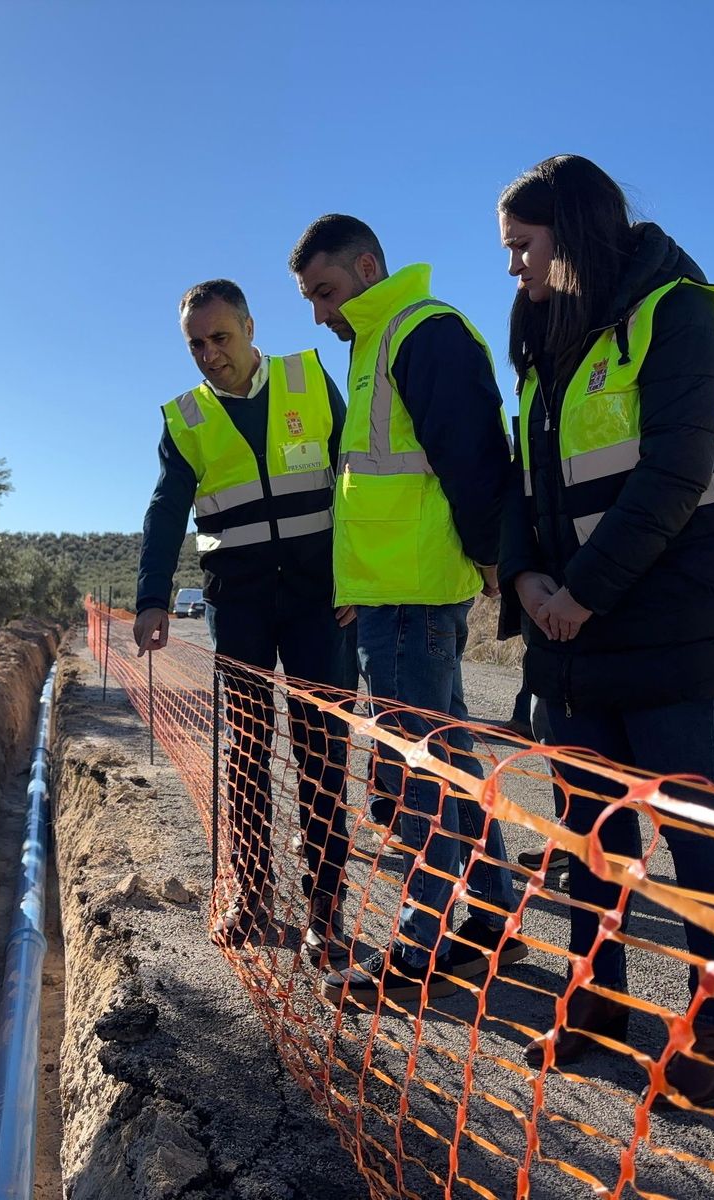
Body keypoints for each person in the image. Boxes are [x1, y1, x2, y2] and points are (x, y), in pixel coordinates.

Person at [495, 155, 714, 1106]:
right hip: (573, 629)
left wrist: (583, 594)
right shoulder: (543, 339)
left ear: (570, 232)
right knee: (587, 829)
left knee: (698, 828)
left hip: (674, 623)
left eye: (522, 247)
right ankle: (595, 997)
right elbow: (526, 480)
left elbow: (674, 474)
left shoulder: (679, 311)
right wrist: (525, 574)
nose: (514, 270)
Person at [288, 215, 523, 1006]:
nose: (320, 313)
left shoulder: (423, 332)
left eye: (325, 292)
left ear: (365, 266)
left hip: (414, 592)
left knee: (416, 765)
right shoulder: (374, 345)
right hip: (391, 591)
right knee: (447, 755)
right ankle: (490, 912)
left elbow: (474, 456)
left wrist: (493, 556)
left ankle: (423, 941)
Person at [134, 279, 356, 965]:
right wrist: (152, 598)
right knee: (248, 754)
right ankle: (251, 895)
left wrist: (361, 574)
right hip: (242, 606)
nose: (208, 354)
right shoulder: (185, 420)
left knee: (323, 755)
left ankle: (326, 914)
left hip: (323, 600)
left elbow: (356, 475)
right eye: (196, 345)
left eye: (219, 338)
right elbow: (166, 512)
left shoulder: (309, 379)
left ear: (251, 328)